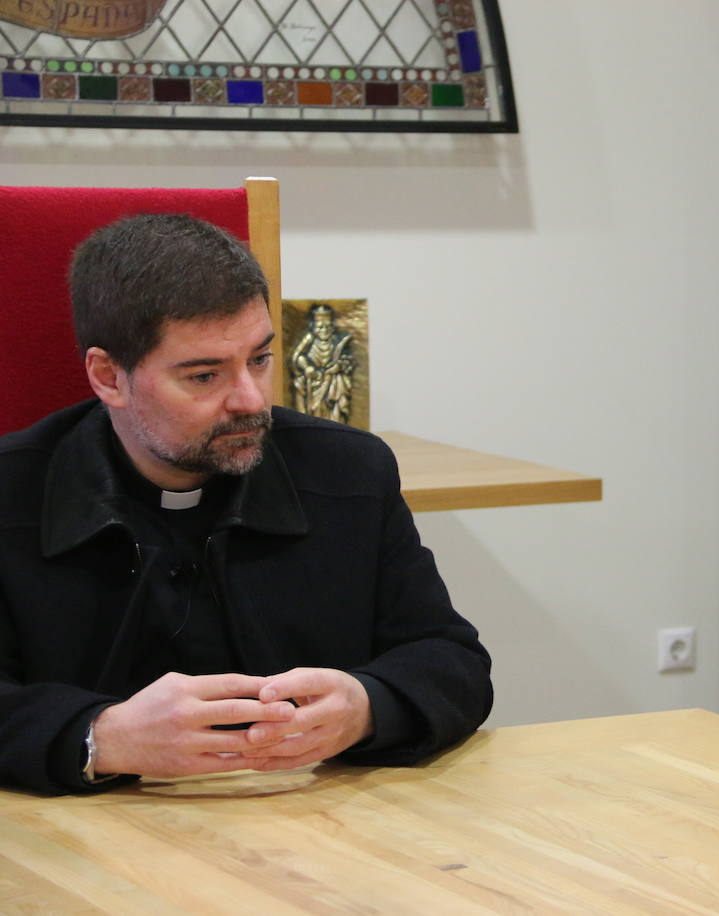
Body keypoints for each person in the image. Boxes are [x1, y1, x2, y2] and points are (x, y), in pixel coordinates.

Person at [0, 214, 492, 794]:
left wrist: (365, 705)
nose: (251, 399)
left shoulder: (349, 470)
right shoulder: (12, 489)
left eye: (260, 358)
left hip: (316, 828)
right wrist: (101, 737)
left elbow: (451, 658)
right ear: (109, 377)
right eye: (205, 375)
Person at [290, 303, 355, 424]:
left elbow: (347, 360)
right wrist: (307, 367)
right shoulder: (309, 339)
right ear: (314, 327)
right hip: (314, 381)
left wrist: (339, 366)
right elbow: (297, 357)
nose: (324, 330)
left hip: (332, 383)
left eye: (327, 326)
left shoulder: (336, 341)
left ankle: (336, 425)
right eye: (320, 327)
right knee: (300, 386)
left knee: (339, 383)